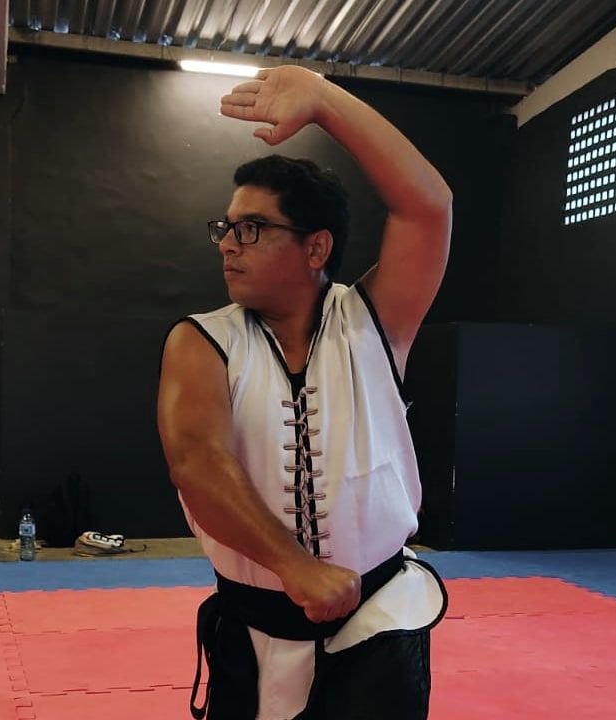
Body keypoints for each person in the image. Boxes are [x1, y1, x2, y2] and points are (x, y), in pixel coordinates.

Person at [157, 66, 453, 720]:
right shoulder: (202, 340)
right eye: (225, 227)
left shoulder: (373, 323)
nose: (227, 245)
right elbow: (198, 463)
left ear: (316, 247)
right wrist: (294, 566)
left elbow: (428, 206)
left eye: (251, 228)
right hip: (253, 628)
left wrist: (324, 100)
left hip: (379, 622)